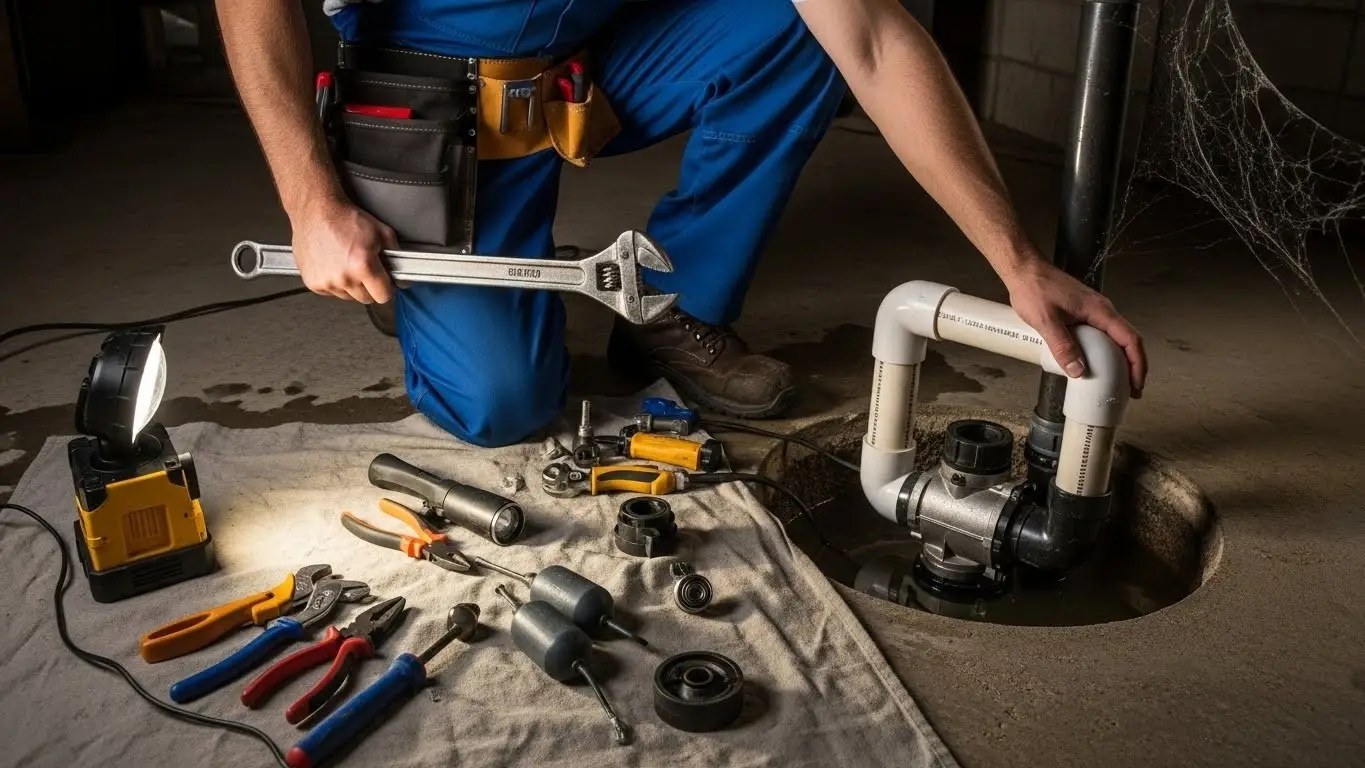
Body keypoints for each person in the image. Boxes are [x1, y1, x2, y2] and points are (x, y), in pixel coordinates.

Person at [217, 0, 1147, 447]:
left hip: (588, 67)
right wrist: (311, 204)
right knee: (503, 403)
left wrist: (1016, 260)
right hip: (435, 110)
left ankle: (664, 300)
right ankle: (421, 263)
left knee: (797, 26)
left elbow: (867, 32)